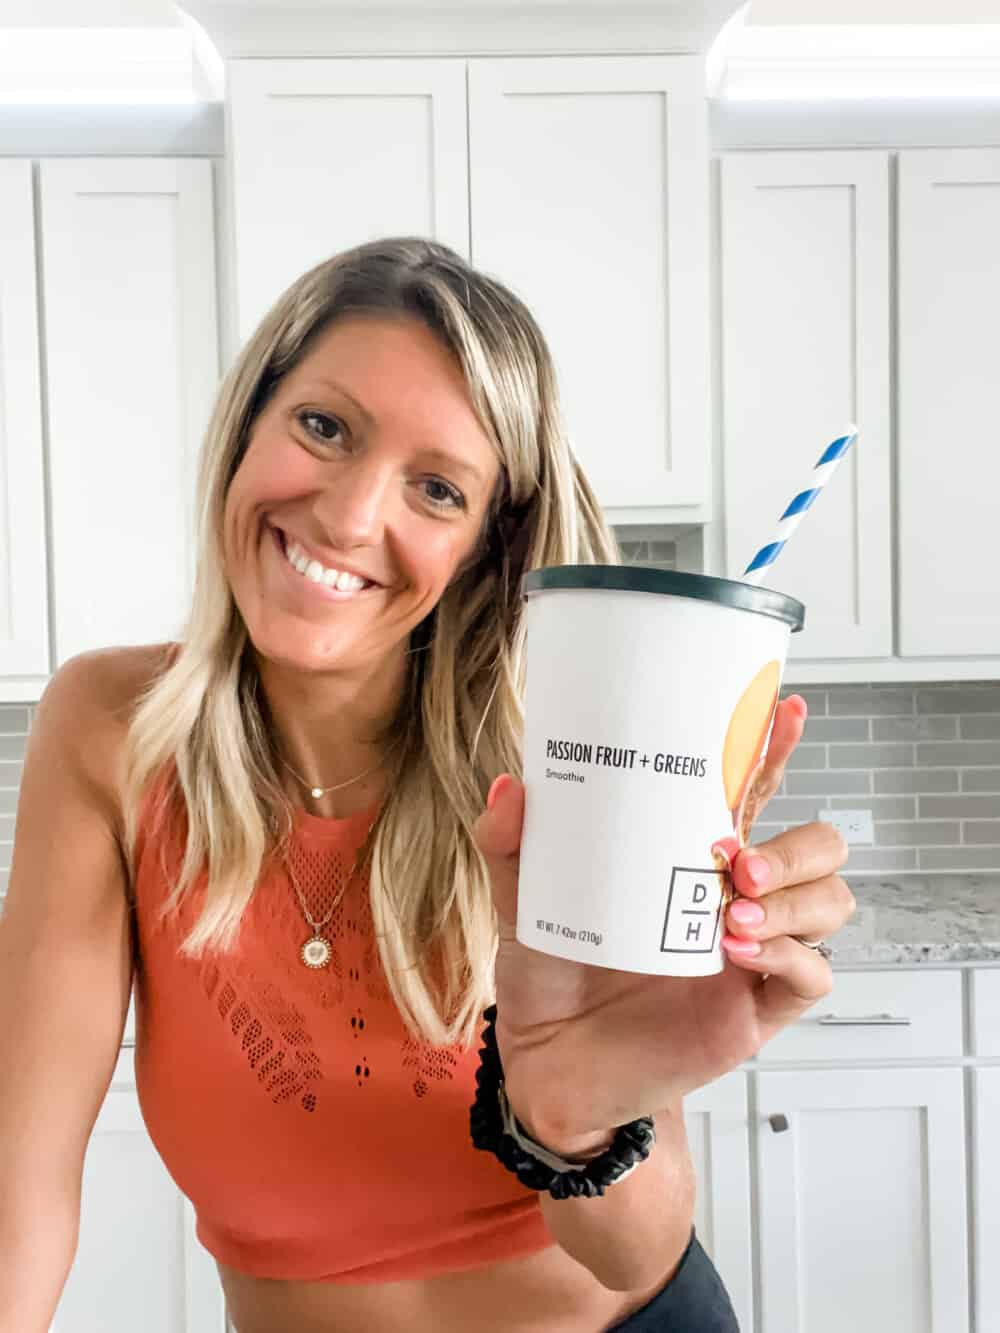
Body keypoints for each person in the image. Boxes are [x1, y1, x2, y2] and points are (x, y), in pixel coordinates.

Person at [0, 236, 854, 1333]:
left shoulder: (561, 772)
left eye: (437, 487)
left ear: (487, 549)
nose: (351, 517)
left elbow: (634, 1243)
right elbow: (21, 1192)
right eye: (323, 426)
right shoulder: (108, 733)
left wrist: (573, 1111)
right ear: (248, 425)